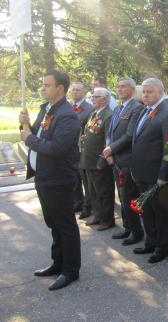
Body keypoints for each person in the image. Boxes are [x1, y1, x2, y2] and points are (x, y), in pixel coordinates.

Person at [19, 70, 81, 291]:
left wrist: (29, 138)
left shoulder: (67, 115)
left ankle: (71, 270)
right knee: (53, 223)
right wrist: (25, 125)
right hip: (43, 177)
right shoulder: (46, 109)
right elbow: (37, 134)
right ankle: (58, 263)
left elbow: (57, 148)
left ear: (60, 88)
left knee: (65, 225)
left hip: (59, 179)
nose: (43, 88)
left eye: (47, 85)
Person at [131, 77, 168, 263]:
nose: (145, 95)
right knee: (146, 210)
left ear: (160, 92)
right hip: (141, 173)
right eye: (143, 91)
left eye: (149, 91)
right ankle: (150, 242)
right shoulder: (146, 110)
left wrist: (164, 175)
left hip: (156, 175)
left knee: (160, 212)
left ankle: (162, 247)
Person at [102, 77, 145, 245]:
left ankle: (136, 231)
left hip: (127, 160)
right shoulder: (119, 108)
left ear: (133, 89)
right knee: (122, 196)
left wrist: (111, 149)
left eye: (123, 87)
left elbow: (129, 135)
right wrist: (109, 150)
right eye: (118, 87)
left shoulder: (137, 108)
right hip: (115, 159)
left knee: (129, 196)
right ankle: (128, 227)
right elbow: (110, 132)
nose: (119, 89)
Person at [80, 87, 115, 230]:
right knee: (92, 192)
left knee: (104, 192)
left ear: (105, 99)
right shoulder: (94, 113)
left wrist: (103, 159)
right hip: (88, 160)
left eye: (96, 96)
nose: (92, 99)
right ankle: (97, 215)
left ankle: (107, 219)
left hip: (99, 161)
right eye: (92, 96)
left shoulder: (108, 115)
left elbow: (108, 139)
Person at [70, 82, 93, 214]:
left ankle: (88, 206)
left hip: (82, 149)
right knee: (74, 179)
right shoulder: (69, 107)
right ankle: (77, 202)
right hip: (70, 149)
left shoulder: (88, 108)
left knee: (85, 180)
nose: (75, 92)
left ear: (84, 93)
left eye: (78, 90)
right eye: (73, 90)